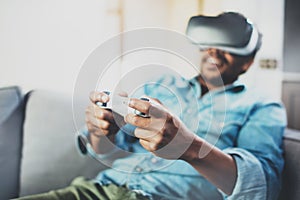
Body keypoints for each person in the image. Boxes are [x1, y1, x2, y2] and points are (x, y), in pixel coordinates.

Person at [17, 12, 286, 200]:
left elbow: (261, 190)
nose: (214, 51)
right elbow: (111, 154)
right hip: (99, 190)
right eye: (209, 43)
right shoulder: (159, 86)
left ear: (247, 62)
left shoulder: (262, 106)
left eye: (227, 47)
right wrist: (102, 132)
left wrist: (189, 148)